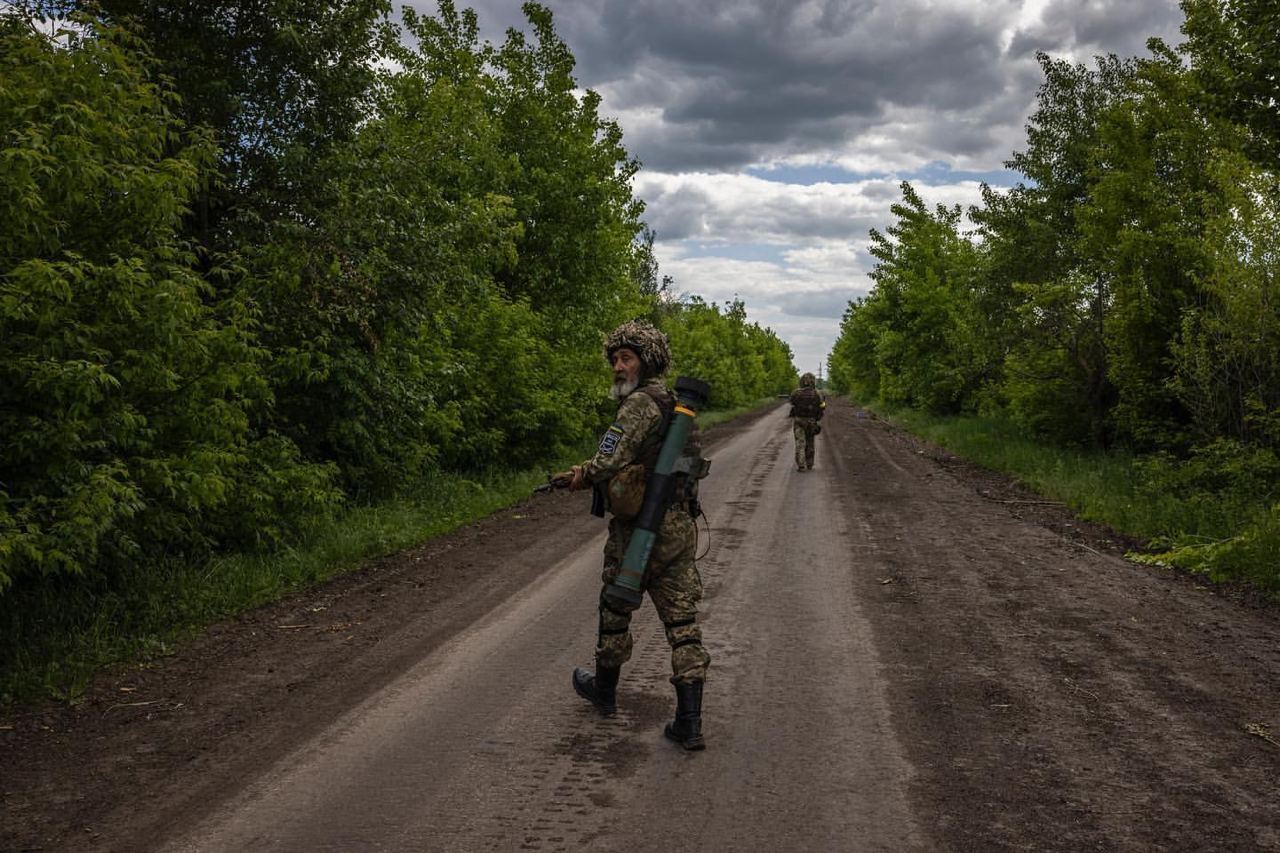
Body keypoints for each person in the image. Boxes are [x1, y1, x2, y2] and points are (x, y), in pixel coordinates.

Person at [560, 320, 712, 750]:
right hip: (680, 527)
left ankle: (604, 690)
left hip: (641, 529)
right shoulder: (679, 407)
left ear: (647, 361)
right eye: (614, 359)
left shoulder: (640, 405)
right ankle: (690, 721)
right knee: (682, 622)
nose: (617, 367)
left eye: (626, 358)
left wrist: (579, 476)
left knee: (615, 605)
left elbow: (608, 460)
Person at [789, 372, 825, 471]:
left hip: (799, 420)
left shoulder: (796, 392)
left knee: (800, 442)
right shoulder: (818, 393)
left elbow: (791, 403)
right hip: (811, 421)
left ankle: (801, 464)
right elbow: (822, 406)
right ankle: (809, 463)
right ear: (813, 382)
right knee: (810, 441)